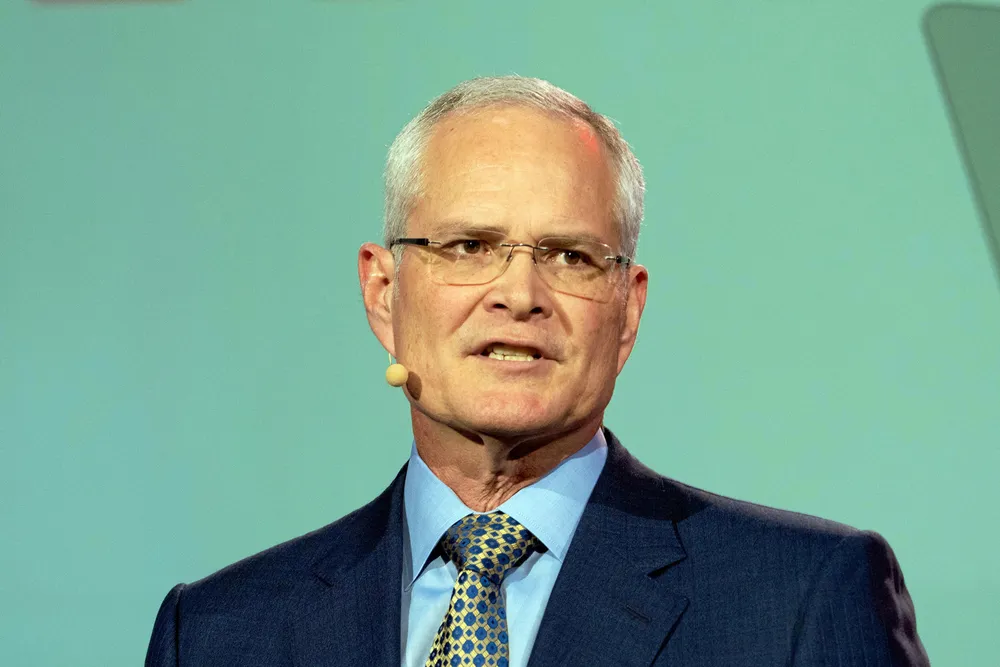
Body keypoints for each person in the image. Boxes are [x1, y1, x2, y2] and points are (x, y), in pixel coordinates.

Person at [145, 75, 929, 666]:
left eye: (571, 256)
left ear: (627, 309)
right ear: (383, 293)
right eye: (469, 246)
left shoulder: (800, 599)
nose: (519, 294)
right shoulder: (217, 633)